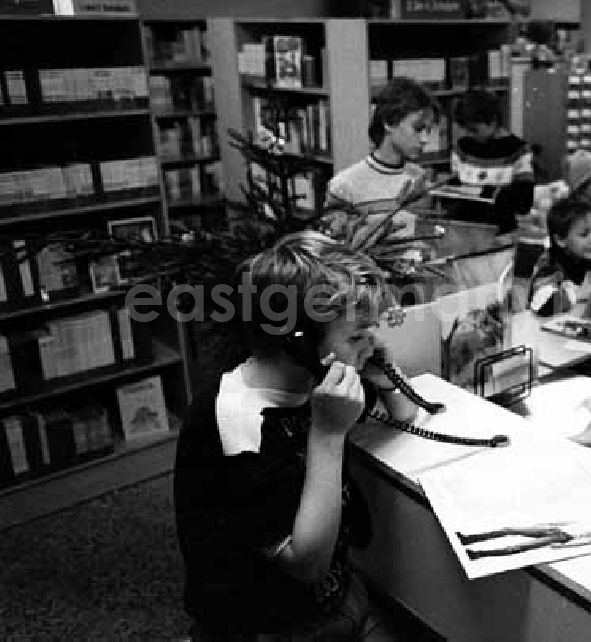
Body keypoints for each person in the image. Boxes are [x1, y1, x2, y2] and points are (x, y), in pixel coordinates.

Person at [174, 231, 419, 640]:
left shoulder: (315, 380)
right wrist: (327, 434)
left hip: (339, 595)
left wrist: (384, 375)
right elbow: (307, 565)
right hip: (270, 623)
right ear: (297, 342)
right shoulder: (236, 425)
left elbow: (406, 414)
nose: (371, 344)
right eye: (357, 335)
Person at [325, 77, 440, 249]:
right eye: (418, 129)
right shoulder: (344, 185)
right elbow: (335, 254)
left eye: (428, 130)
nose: (425, 139)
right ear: (389, 123)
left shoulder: (420, 179)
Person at [449, 88, 535, 235]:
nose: (468, 134)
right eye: (465, 129)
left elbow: (523, 203)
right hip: (464, 228)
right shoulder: (463, 147)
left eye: (474, 129)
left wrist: (492, 193)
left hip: (500, 230)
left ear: (492, 121)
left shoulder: (517, 150)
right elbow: (455, 189)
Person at [458, 515, 591, 559]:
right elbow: (570, 520)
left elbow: (586, 542)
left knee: (519, 548)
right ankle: (469, 539)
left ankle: (478, 554)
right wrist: (546, 523)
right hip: (553, 528)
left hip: (562, 537)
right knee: (509, 529)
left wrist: (564, 546)